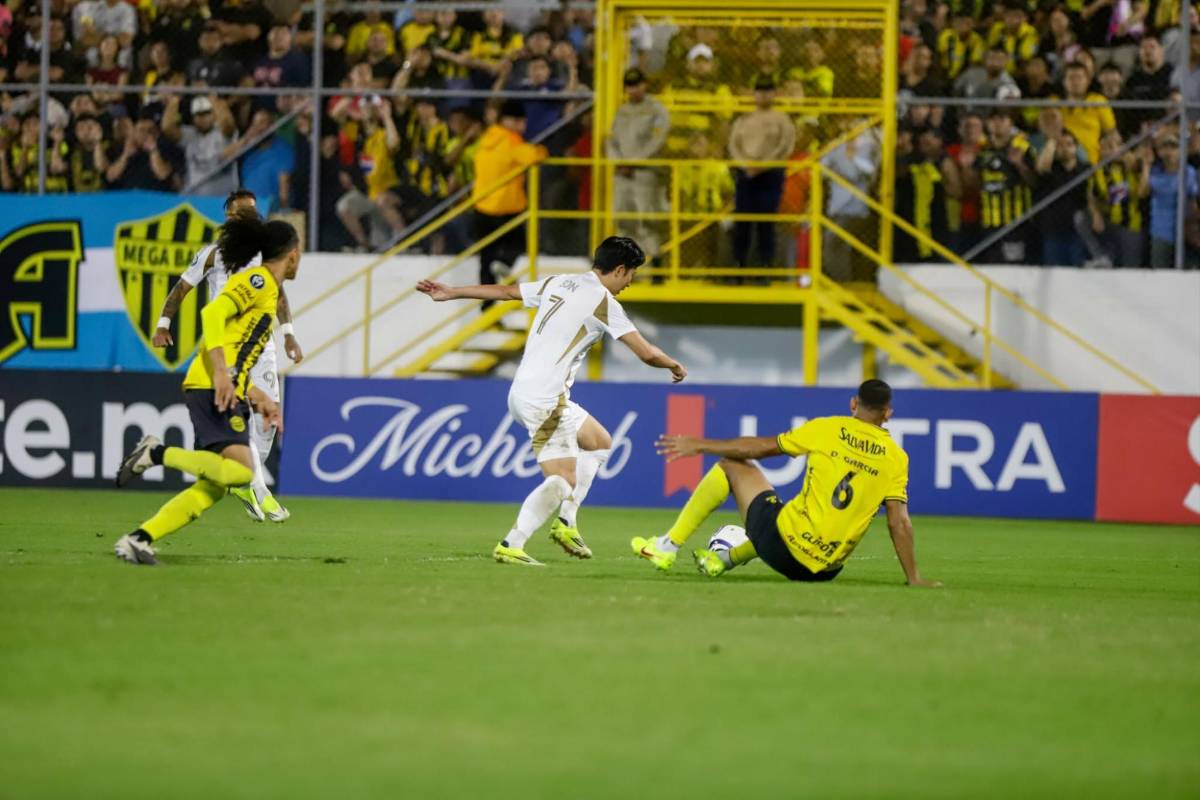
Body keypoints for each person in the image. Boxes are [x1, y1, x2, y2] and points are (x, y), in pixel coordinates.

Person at [416, 236, 687, 566]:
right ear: (619, 270)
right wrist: (673, 364)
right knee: (562, 480)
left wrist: (452, 293)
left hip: (524, 392)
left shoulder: (560, 282)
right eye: (631, 275)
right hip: (544, 399)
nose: (629, 283)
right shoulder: (603, 301)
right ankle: (512, 543)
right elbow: (646, 353)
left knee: (599, 441)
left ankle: (567, 523)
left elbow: (506, 292)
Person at [112, 217, 302, 566]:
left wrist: (259, 397)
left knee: (214, 486)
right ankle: (155, 453)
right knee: (243, 472)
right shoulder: (259, 281)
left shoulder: (268, 289)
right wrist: (220, 374)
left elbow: (236, 348)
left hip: (224, 385)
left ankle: (139, 539)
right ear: (292, 255)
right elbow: (212, 313)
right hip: (211, 384)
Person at [634, 379, 940, 587]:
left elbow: (756, 449)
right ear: (888, 414)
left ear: (853, 403)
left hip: (780, 547)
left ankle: (666, 545)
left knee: (732, 466)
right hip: (825, 572)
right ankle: (723, 559)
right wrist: (914, 578)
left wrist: (700, 445)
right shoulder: (897, 458)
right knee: (786, 513)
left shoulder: (827, 428)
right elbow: (898, 523)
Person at [149, 189, 303, 521]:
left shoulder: (265, 255)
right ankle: (258, 490)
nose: (251, 217)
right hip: (231, 346)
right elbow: (181, 290)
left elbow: (278, 295)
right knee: (242, 419)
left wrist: (289, 335)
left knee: (268, 421)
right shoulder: (214, 254)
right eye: (242, 212)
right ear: (229, 218)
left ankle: (247, 481)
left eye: (254, 211)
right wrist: (163, 324)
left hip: (263, 345)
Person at [471, 101, 548, 288]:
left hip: (481, 206)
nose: (524, 126)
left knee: (486, 259)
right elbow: (534, 156)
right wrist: (542, 150)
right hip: (505, 207)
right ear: (511, 121)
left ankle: (487, 308)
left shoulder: (486, 138)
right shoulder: (511, 140)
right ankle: (504, 263)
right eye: (521, 121)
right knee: (520, 242)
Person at [728, 75, 795, 276]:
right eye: (759, 90)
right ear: (754, 93)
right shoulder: (744, 118)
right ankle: (738, 267)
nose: (763, 95)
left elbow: (785, 146)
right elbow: (733, 145)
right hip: (745, 175)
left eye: (767, 90)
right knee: (743, 221)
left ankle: (764, 268)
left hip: (770, 175)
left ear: (774, 93)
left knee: (766, 222)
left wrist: (763, 165)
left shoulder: (782, 119)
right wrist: (744, 165)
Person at [608, 68, 669, 261]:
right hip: (622, 173)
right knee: (623, 216)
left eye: (637, 85)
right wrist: (618, 161)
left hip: (646, 173)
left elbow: (657, 140)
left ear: (645, 85)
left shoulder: (656, 110)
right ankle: (627, 265)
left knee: (647, 219)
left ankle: (655, 265)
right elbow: (611, 140)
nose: (633, 90)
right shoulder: (622, 111)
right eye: (629, 86)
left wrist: (633, 162)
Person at [1079, 129, 1144, 268]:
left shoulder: (1134, 164)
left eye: (1118, 145)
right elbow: (1092, 196)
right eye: (1109, 147)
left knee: (1130, 269)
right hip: (1110, 225)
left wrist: (1137, 164)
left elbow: (1144, 191)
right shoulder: (1098, 171)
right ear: (1101, 150)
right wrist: (1096, 213)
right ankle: (1101, 256)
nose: (1114, 150)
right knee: (1081, 217)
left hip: (1132, 225)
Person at [978, 109, 1034, 262]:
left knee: (1015, 268)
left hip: (1015, 223)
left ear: (1010, 123)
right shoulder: (983, 149)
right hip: (989, 221)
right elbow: (977, 182)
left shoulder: (1022, 147)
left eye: (1002, 119)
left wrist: (1020, 165)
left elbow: (1034, 182)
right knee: (994, 269)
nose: (997, 124)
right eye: (993, 120)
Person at [1139, 132, 1199, 268]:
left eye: (1173, 146)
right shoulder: (1155, 172)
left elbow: (1193, 201)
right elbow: (1142, 192)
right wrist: (1146, 165)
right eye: (1164, 146)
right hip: (1161, 233)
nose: (1169, 151)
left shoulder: (1188, 172)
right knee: (1160, 276)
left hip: (1185, 233)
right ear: (1159, 151)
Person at [163, 94, 237, 195]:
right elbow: (167, 128)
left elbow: (227, 123)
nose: (203, 118)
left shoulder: (222, 132)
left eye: (207, 113)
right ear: (193, 118)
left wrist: (213, 100)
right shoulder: (190, 135)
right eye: (198, 114)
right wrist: (174, 102)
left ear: (214, 114)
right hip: (196, 198)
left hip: (223, 198)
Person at [1057, 61, 1117, 164]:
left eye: (1079, 78)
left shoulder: (1098, 101)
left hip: (1091, 164)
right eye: (1071, 78)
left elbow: (1111, 132)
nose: (1075, 82)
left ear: (1088, 81)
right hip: (1063, 163)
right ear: (1064, 81)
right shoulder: (1055, 103)